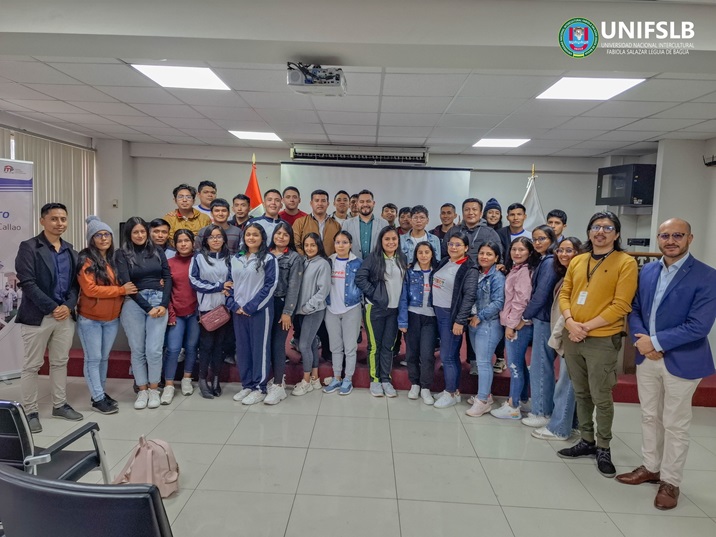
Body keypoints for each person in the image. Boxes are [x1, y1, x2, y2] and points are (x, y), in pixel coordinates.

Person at [618, 218, 716, 510]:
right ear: (658, 239)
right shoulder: (647, 270)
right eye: (664, 235)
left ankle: (670, 482)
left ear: (690, 238)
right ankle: (651, 466)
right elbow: (634, 309)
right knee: (649, 415)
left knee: (675, 423)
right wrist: (642, 340)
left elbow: (698, 326)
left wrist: (656, 343)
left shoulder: (707, 276)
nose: (670, 240)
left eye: (677, 235)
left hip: (682, 360)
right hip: (646, 357)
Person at [557, 211, 638, 478]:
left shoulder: (625, 262)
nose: (600, 232)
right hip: (573, 336)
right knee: (581, 393)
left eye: (607, 227)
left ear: (616, 234)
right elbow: (566, 293)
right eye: (595, 227)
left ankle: (604, 446)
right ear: (589, 232)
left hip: (602, 339)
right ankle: (587, 441)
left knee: (601, 396)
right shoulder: (578, 260)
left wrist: (586, 327)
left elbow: (621, 304)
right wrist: (570, 322)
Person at [15, 202, 83, 433]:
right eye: (54, 219)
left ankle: (60, 405)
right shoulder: (29, 247)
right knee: (32, 365)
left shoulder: (71, 250)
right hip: (37, 315)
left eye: (63, 219)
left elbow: (75, 285)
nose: (59, 223)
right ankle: (30, 411)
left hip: (65, 316)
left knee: (60, 362)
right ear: (42, 221)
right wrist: (54, 307)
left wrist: (68, 306)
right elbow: (27, 283)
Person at [76, 216, 137, 415]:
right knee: (93, 359)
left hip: (111, 319)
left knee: (103, 359)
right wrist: (120, 291)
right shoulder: (86, 260)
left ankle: (99, 393)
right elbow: (91, 290)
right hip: (90, 319)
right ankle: (97, 398)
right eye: (98, 235)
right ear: (91, 239)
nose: (103, 238)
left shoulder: (112, 259)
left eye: (107, 234)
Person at [115, 216, 172, 410]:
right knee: (138, 350)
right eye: (135, 232)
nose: (140, 235)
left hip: (158, 301)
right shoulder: (122, 254)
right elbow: (127, 285)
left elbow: (167, 277)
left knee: (154, 350)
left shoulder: (157, 251)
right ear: (129, 234)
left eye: (142, 231)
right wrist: (148, 308)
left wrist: (163, 305)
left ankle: (154, 389)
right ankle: (142, 390)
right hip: (134, 303)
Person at [531, 237, 583, 441]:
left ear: (579, 252)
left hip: (572, 333)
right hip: (565, 332)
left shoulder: (580, 275)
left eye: (569, 250)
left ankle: (560, 428)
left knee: (566, 382)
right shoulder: (567, 273)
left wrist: (561, 334)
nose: (563, 254)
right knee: (570, 381)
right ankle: (573, 424)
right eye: (560, 250)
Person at [228, 223, 278, 405]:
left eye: (255, 235)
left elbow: (270, 286)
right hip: (238, 311)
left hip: (259, 312)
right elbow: (228, 284)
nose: (251, 238)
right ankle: (247, 385)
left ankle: (260, 387)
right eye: (248, 234)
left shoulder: (268, 259)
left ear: (262, 238)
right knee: (242, 349)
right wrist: (234, 305)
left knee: (259, 349)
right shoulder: (235, 258)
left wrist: (250, 307)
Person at [491, 237, 540, 420]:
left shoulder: (525, 272)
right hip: (517, 323)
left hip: (518, 325)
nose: (517, 253)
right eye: (514, 249)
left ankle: (513, 406)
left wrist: (511, 326)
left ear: (529, 252)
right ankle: (523, 399)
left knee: (514, 366)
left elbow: (521, 301)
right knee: (518, 364)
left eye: (521, 250)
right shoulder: (517, 269)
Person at [356, 226, 406, 397]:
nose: (391, 242)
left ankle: (386, 379)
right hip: (375, 309)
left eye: (394, 239)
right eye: (387, 239)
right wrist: (375, 294)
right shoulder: (373, 258)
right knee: (375, 346)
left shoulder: (402, 258)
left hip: (394, 310)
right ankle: (375, 380)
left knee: (388, 346)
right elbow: (360, 278)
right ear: (381, 241)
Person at [432, 231, 479, 408]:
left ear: (466, 248)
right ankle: (454, 391)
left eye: (458, 244)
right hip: (438, 312)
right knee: (450, 354)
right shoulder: (445, 261)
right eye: (451, 244)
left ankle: (450, 393)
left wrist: (460, 321)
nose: (453, 247)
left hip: (451, 317)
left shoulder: (469, 268)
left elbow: (469, 297)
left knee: (447, 356)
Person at [521, 225, 560, 428]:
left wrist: (525, 316)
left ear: (552, 239)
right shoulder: (544, 260)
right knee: (539, 364)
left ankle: (542, 412)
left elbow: (541, 294)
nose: (537, 242)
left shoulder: (550, 262)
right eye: (535, 239)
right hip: (542, 318)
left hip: (544, 318)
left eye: (542, 238)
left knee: (541, 366)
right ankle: (541, 407)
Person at [190, 225, 232, 399]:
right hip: (207, 309)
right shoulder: (199, 258)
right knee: (206, 346)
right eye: (211, 237)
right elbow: (194, 281)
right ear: (206, 240)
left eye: (219, 236)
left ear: (224, 239)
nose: (215, 240)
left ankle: (216, 379)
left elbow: (234, 280)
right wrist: (219, 287)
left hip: (225, 308)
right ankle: (202, 380)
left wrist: (228, 289)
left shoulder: (231, 258)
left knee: (219, 347)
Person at [465, 241, 505, 417]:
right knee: (482, 361)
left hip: (487, 324)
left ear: (496, 258)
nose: (484, 257)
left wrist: (479, 316)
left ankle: (482, 402)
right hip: (474, 323)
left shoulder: (497, 277)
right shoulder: (477, 273)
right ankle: (486, 396)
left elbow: (498, 302)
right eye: (482, 253)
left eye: (489, 254)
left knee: (483, 363)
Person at [265, 222, 303, 405]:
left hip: (282, 306)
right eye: (278, 233)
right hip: (263, 305)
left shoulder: (295, 258)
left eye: (285, 235)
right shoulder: (264, 254)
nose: (281, 237)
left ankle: (279, 385)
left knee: (278, 344)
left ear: (290, 238)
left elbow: (294, 287)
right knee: (264, 344)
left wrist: (288, 312)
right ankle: (267, 380)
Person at [323, 231, 363, 396]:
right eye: (338, 242)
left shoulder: (358, 263)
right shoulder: (328, 262)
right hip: (331, 309)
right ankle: (337, 376)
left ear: (350, 244)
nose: (341, 245)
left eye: (345, 242)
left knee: (350, 347)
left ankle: (348, 378)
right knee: (335, 347)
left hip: (351, 309)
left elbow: (362, 284)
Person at [398, 241, 438, 405]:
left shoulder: (437, 273)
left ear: (432, 254)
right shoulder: (409, 273)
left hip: (430, 318)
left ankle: (426, 386)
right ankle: (414, 383)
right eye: (420, 252)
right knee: (411, 353)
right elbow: (403, 297)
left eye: (426, 252)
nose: (423, 255)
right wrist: (403, 321)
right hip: (413, 316)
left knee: (427, 354)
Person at [292, 233, 331, 396]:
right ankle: (315, 377)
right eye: (306, 245)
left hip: (313, 310)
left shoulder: (322, 264)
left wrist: (308, 307)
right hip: (302, 310)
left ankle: (306, 380)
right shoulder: (303, 261)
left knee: (304, 345)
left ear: (319, 246)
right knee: (312, 343)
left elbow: (323, 290)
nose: (309, 248)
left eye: (313, 245)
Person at [165, 229, 200, 401]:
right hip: (176, 313)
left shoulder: (199, 260)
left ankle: (187, 378)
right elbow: (166, 291)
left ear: (193, 242)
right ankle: (169, 384)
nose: (184, 244)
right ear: (175, 244)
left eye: (187, 240)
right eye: (180, 241)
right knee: (173, 349)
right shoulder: (169, 263)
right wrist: (171, 313)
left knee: (192, 347)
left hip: (195, 313)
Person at [442, 198, 501, 262]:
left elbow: (498, 257)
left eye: (474, 209)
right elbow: (444, 254)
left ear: (481, 213)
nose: (470, 213)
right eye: (467, 210)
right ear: (462, 213)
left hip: (479, 270)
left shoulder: (490, 233)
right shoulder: (453, 231)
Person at [293, 189, 342, 257]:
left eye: (323, 201)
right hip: (306, 264)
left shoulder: (336, 225)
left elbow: (339, 246)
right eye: (316, 200)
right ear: (311, 203)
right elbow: (296, 245)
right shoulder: (300, 222)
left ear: (328, 204)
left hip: (330, 263)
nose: (320, 204)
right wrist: (306, 260)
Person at [342, 190, 390, 259]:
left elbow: (387, 247)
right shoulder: (347, 223)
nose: (365, 204)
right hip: (354, 265)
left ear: (373, 203)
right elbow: (344, 246)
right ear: (357, 204)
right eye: (362, 202)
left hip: (377, 265)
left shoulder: (384, 223)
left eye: (368, 201)